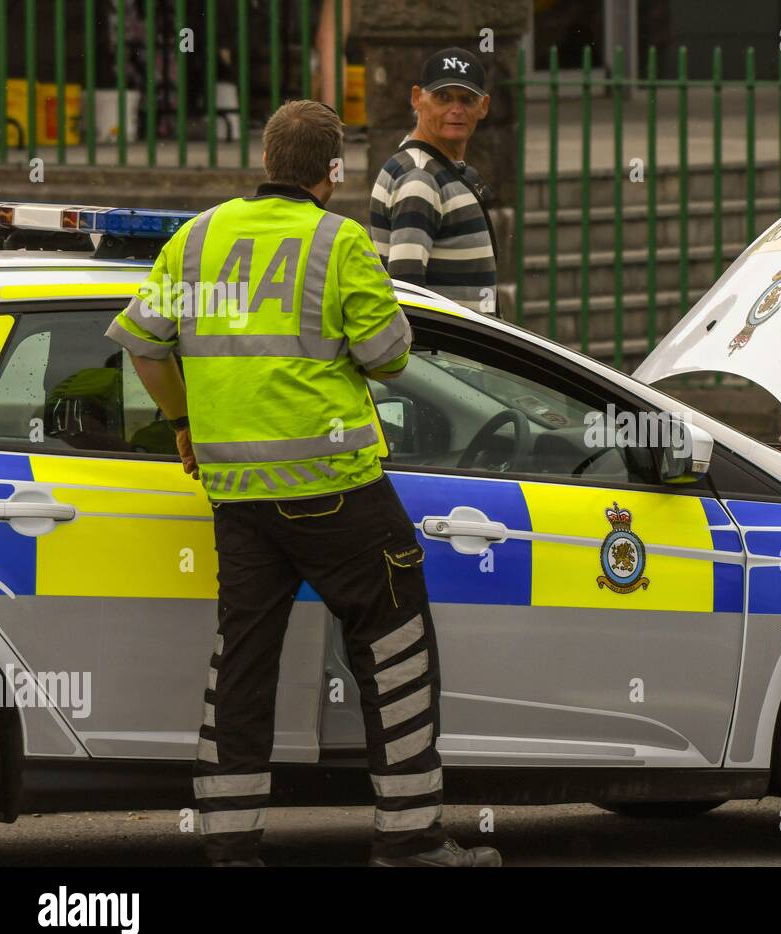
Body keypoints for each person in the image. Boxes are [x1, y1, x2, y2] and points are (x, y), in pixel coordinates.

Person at [105, 99, 500, 868]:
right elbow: (388, 356)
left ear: (264, 162)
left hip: (237, 496)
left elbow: (143, 348)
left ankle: (228, 844)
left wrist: (185, 422)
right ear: (334, 171)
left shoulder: (196, 239)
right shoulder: (338, 240)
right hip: (336, 487)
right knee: (395, 647)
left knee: (243, 659)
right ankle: (409, 838)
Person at [369, 47, 500, 317]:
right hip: (445, 357)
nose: (456, 110)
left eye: (467, 99)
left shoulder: (434, 167)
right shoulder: (419, 178)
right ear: (417, 98)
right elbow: (408, 299)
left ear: (483, 106)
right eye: (442, 97)